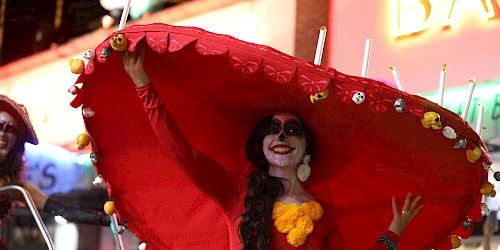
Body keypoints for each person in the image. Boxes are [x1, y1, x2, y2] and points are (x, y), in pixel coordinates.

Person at [118, 44, 423, 249]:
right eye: (271, 130)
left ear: (306, 148)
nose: (281, 136)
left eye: (292, 130)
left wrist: (394, 230)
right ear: (259, 144)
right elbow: (182, 152)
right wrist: (143, 84)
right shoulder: (236, 191)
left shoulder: (323, 213)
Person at [0, 95, 110, 249]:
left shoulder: (14, 186)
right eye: (0, 125)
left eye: (11, 129)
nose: (4, 134)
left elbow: (61, 210)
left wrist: (106, 220)